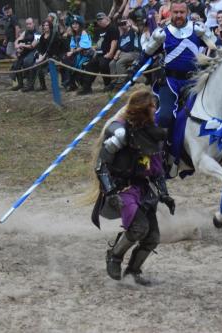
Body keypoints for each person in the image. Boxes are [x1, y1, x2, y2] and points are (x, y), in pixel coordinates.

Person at [92, 88, 175, 285]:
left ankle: (133, 272)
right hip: (122, 189)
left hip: (143, 189)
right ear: (144, 109)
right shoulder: (122, 133)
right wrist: (110, 191)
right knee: (139, 228)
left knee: (152, 237)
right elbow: (101, 165)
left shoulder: (152, 135)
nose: (156, 109)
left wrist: (165, 194)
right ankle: (114, 256)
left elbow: (156, 170)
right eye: (153, 106)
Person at [132, 0, 215, 130]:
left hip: (194, 81)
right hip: (170, 81)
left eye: (182, 12)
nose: (178, 15)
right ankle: (161, 147)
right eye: (175, 12)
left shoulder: (198, 30)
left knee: (207, 115)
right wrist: (134, 68)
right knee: (165, 117)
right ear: (170, 13)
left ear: (187, 12)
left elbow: (215, 47)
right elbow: (146, 53)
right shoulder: (162, 34)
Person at [78, 13, 119, 95]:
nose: (99, 21)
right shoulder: (100, 30)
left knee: (103, 64)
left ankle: (108, 85)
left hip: (109, 54)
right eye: (98, 20)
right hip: (99, 54)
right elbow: (99, 42)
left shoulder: (112, 28)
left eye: (101, 19)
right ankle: (87, 87)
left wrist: (110, 53)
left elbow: (114, 41)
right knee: (90, 65)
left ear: (106, 18)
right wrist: (94, 48)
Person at [23, 19, 61, 92]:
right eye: (44, 25)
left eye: (47, 25)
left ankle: (55, 87)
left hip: (53, 56)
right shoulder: (42, 36)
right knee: (35, 66)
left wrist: (42, 58)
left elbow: (55, 48)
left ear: (50, 26)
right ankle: (34, 86)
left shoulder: (54, 35)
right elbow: (41, 49)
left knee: (44, 66)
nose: (45, 27)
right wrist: (39, 58)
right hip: (44, 56)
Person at [62, 15, 92, 91]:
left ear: (80, 24)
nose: (74, 25)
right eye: (73, 24)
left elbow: (83, 46)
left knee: (78, 65)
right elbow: (72, 45)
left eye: (76, 24)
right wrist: (71, 52)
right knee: (66, 59)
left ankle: (80, 84)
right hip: (78, 54)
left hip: (85, 54)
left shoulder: (83, 32)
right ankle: (71, 83)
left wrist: (73, 53)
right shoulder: (74, 34)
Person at [109, 19, 142, 89]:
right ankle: (115, 81)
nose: (123, 25)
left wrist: (130, 25)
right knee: (112, 63)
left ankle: (122, 82)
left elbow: (138, 30)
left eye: (124, 23)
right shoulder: (122, 35)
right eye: (122, 24)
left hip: (135, 53)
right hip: (124, 54)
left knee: (119, 62)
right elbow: (120, 48)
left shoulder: (133, 31)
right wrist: (116, 56)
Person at [10, 18, 38, 91]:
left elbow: (32, 45)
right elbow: (17, 40)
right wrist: (17, 45)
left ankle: (30, 85)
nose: (28, 25)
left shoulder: (38, 33)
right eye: (27, 24)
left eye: (30, 24)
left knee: (27, 62)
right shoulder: (25, 32)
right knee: (16, 64)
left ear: (33, 24)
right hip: (25, 51)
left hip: (34, 51)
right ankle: (20, 84)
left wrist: (22, 45)